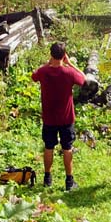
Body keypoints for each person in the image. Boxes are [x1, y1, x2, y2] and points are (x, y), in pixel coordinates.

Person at [31, 42, 86, 190]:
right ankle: (69, 181)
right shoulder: (69, 73)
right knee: (67, 147)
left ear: (51, 54)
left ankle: (47, 178)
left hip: (49, 118)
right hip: (66, 118)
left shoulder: (43, 71)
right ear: (64, 55)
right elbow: (83, 79)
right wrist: (70, 64)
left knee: (49, 147)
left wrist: (46, 63)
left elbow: (33, 75)